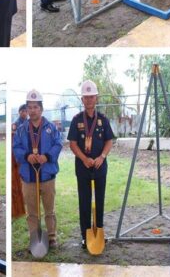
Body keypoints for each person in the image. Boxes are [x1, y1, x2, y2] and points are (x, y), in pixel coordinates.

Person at [13, 90, 63, 248]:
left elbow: (58, 144)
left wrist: (47, 156)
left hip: (47, 176)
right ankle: (34, 238)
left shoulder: (51, 128)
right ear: (26, 110)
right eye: (29, 107)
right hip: (28, 178)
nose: (32, 110)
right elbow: (16, 147)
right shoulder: (21, 130)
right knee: (32, 211)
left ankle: (52, 237)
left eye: (35, 107)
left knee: (49, 209)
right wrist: (27, 156)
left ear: (41, 109)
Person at [67, 80, 114, 250]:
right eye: (86, 97)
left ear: (96, 98)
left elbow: (109, 140)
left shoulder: (103, 120)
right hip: (83, 168)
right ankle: (85, 236)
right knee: (85, 201)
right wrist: (83, 158)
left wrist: (102, 156)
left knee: (99, 201)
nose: (89, 100)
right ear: (82, 100)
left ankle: (99, 231)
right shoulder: (76, 120)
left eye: (91, 97)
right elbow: (72, 143)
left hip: (100, 167)